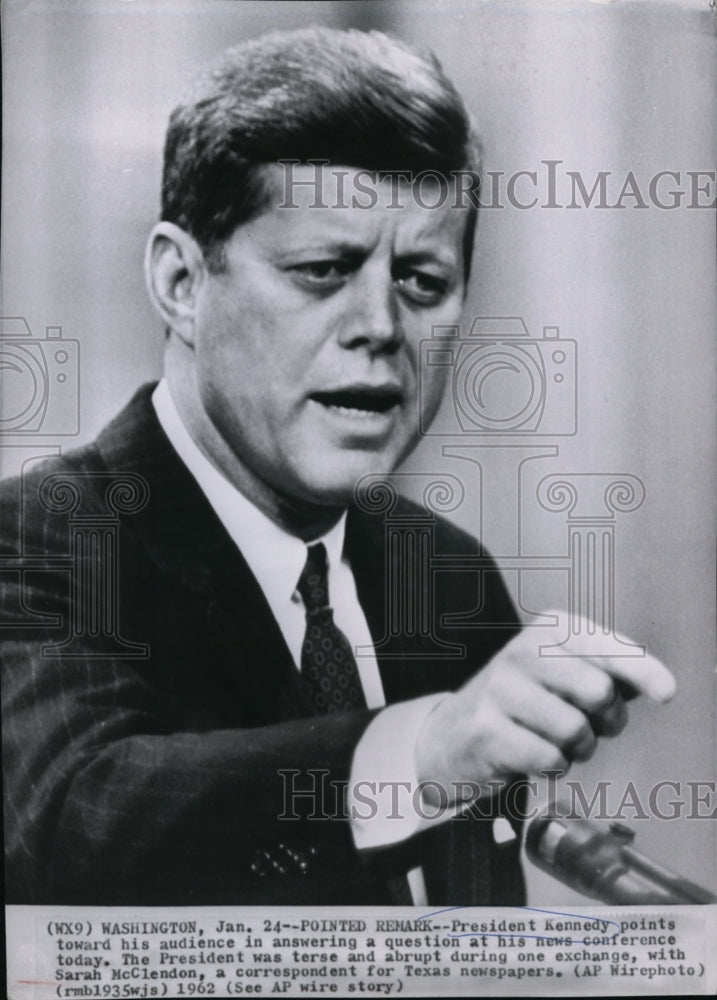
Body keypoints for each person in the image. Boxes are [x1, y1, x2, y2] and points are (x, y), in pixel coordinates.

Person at [0, 26, 674, 906]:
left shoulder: (446, 573)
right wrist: (422, 755)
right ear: (179, 282)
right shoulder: (36, 538)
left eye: (422, 281)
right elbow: (67, 819)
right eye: (323, 270)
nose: (382, 327)